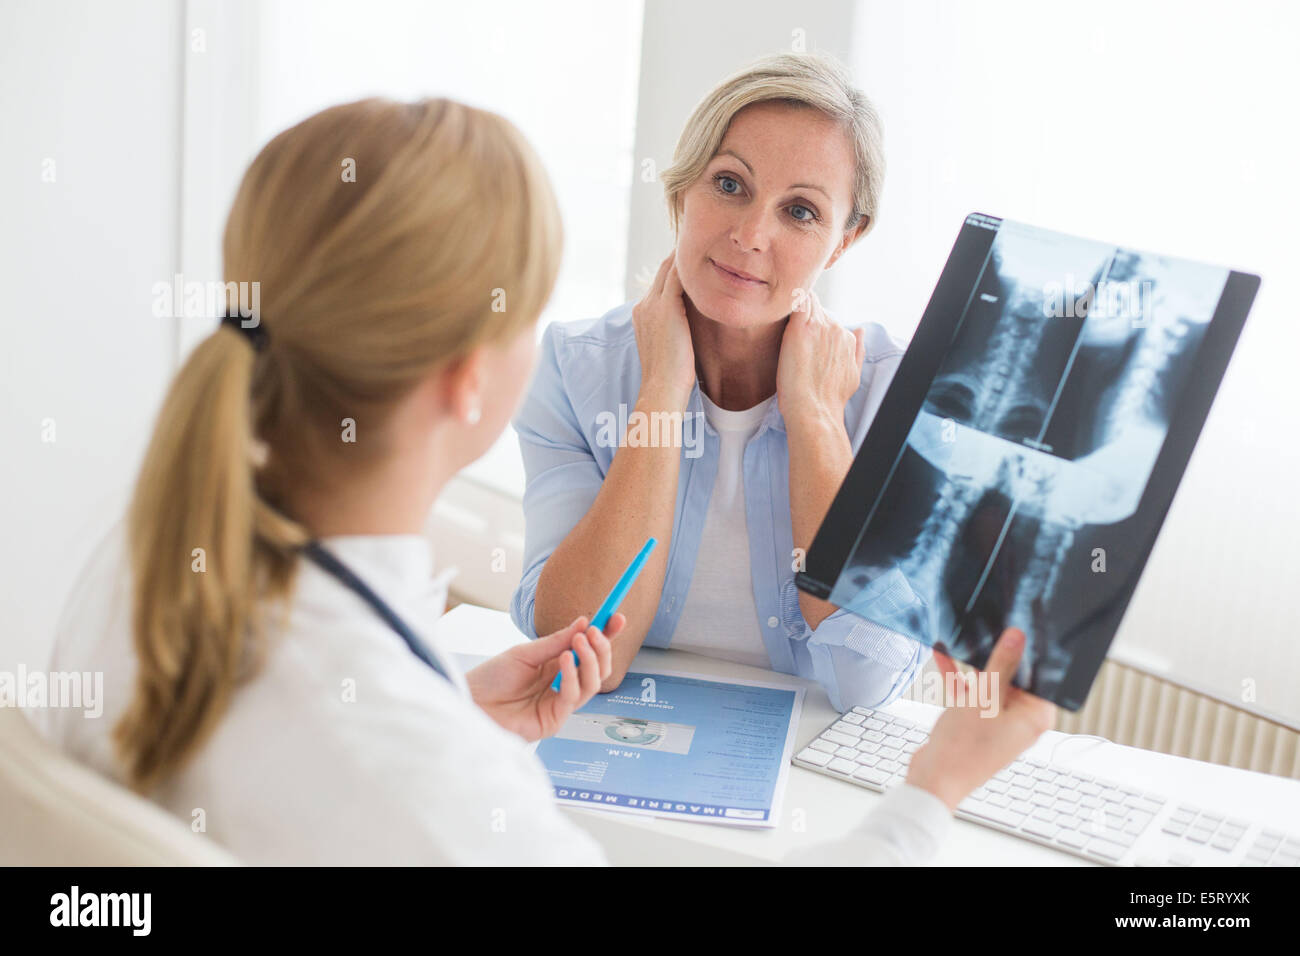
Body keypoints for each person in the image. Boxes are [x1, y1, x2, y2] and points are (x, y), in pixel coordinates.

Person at [35, 95, 1053, 866]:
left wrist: (453, 709)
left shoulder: (140, 564)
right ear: (469, 376)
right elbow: (374, 770)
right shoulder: (431, 786)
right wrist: (934, 787)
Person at [510, 53, 922, 712]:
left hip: (805, 775)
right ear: (681, 190)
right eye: (729, 184)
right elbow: (578, 651)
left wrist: (815, 419)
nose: (751, 235)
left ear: (845, 241)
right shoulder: (572, 369)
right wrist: (662, 391)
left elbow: (868, 680)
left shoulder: (891, 392)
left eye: (801, 212)